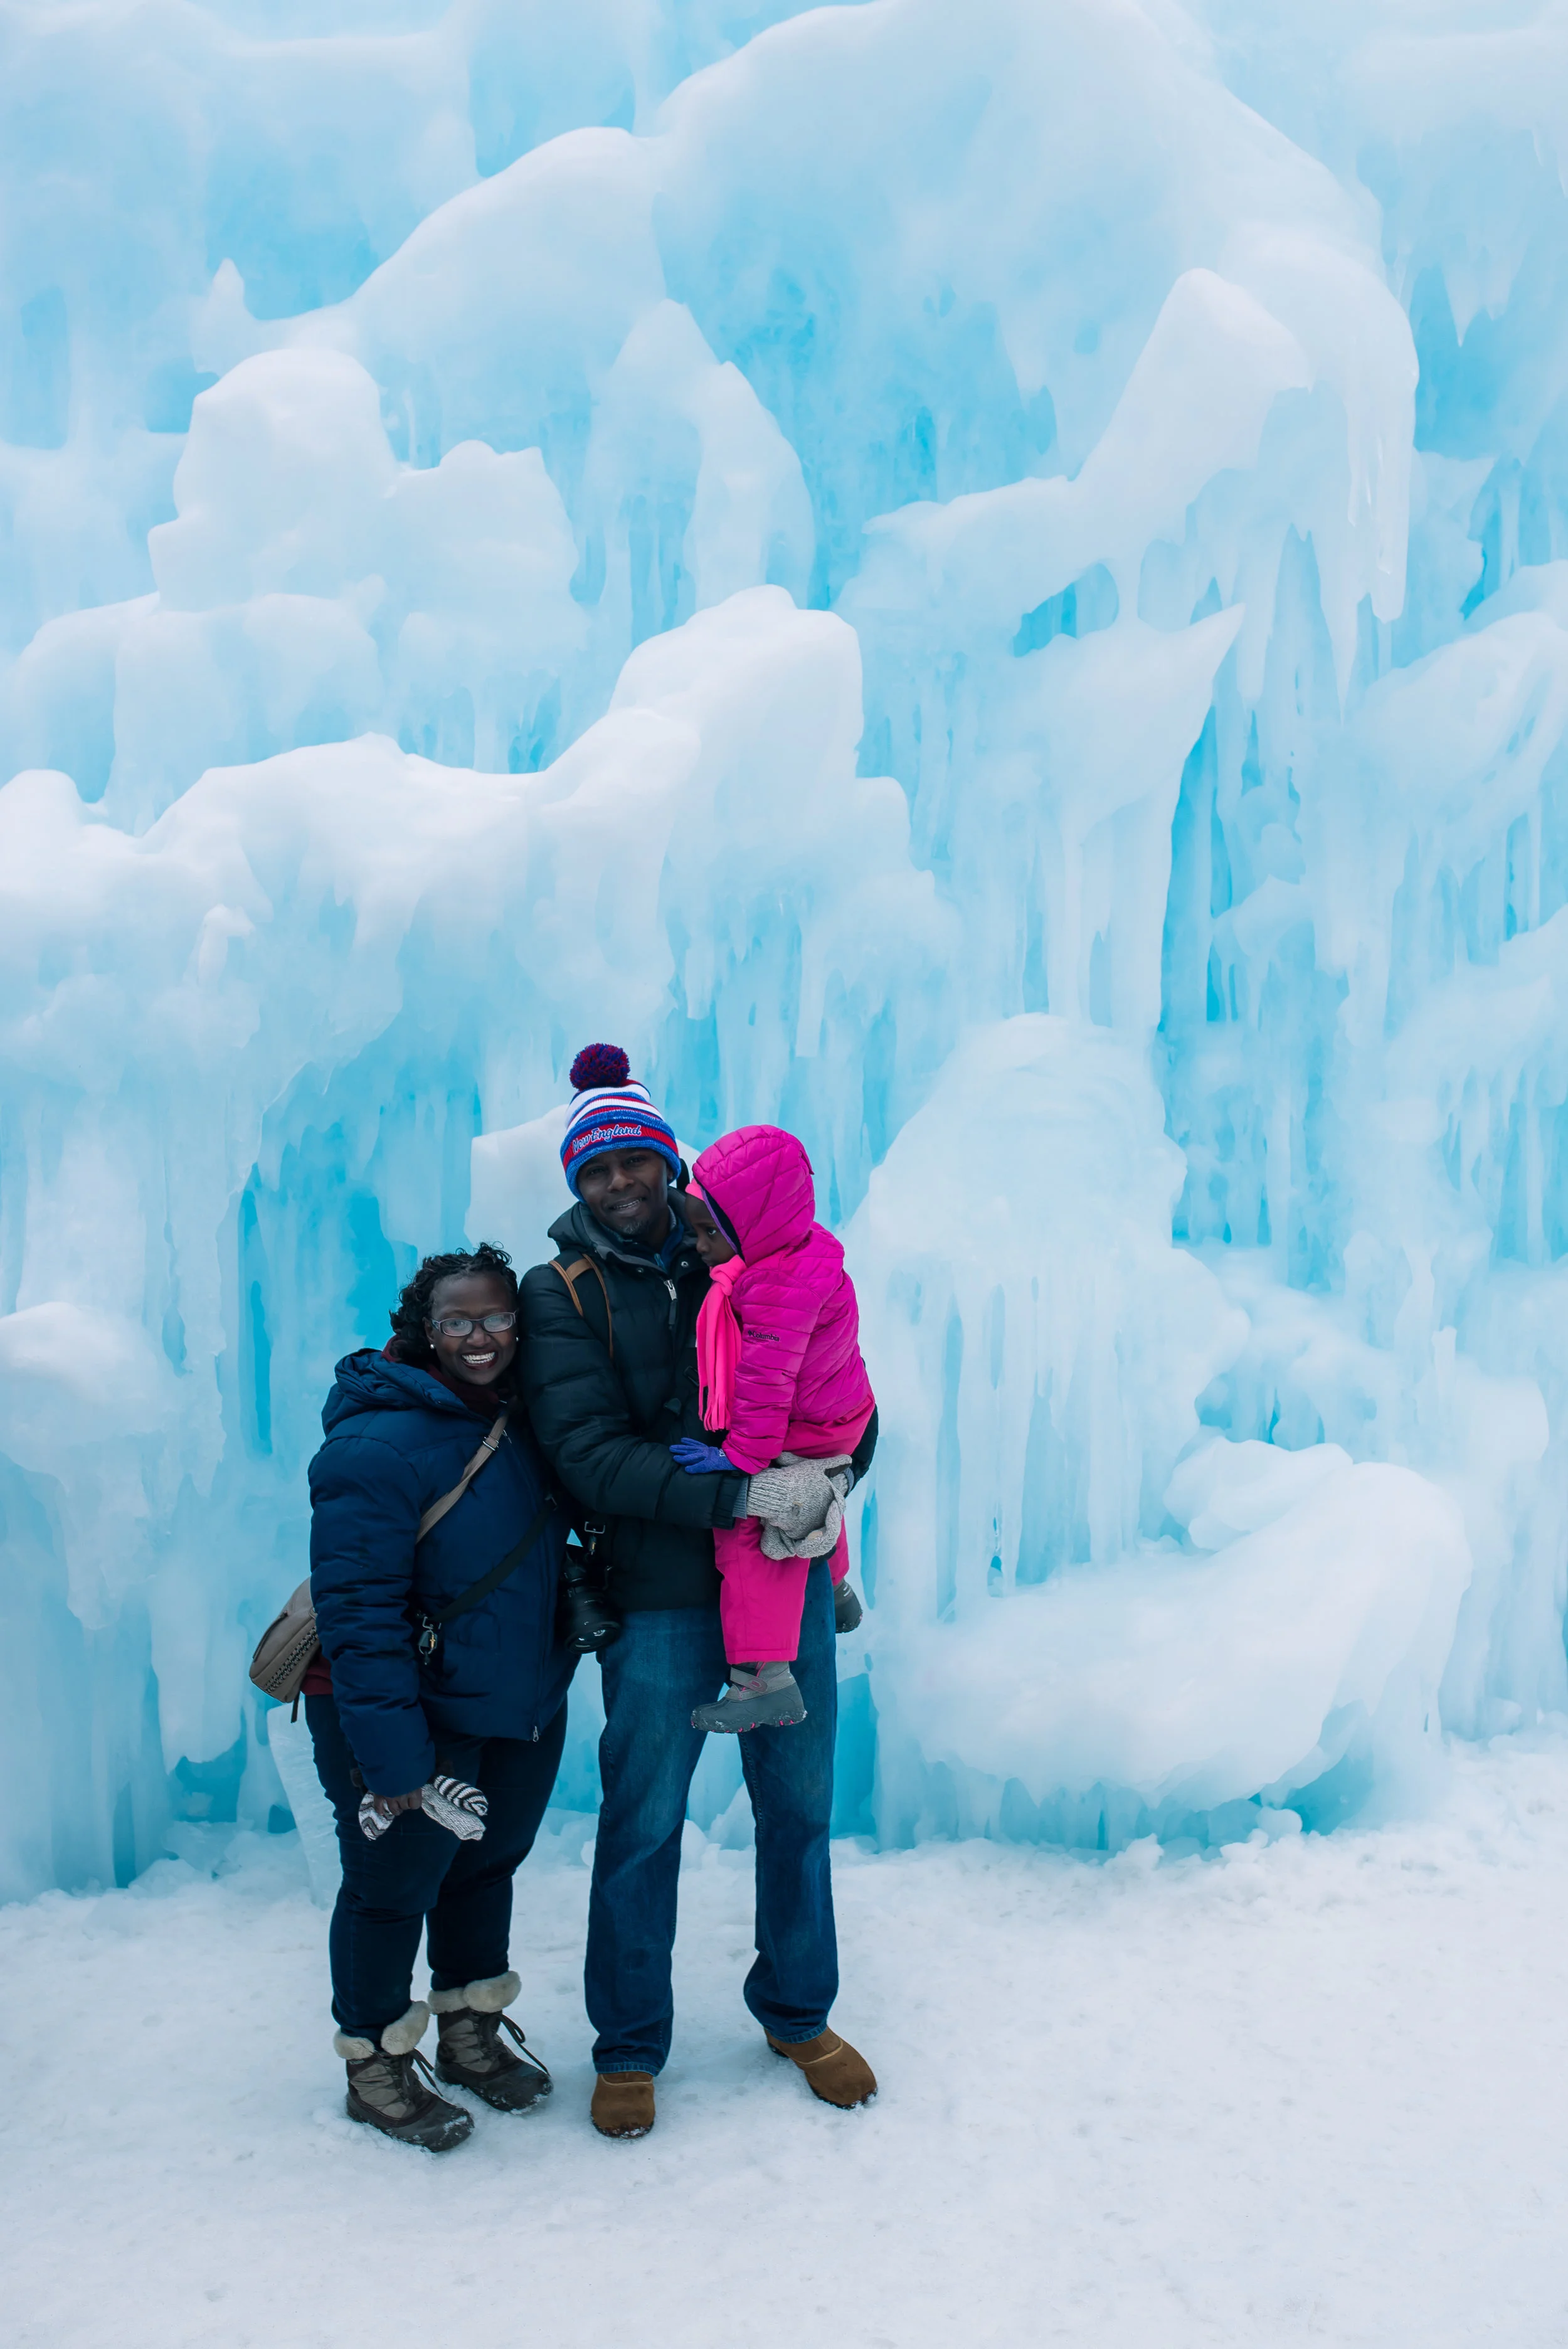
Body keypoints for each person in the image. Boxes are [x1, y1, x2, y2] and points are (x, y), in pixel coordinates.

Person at [521, 1044, 879, 2143]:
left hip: (785, 1576)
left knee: (801, 1809)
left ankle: (797, 2012)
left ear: (671, 1165)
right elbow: (585, 1453)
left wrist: (836, 1475)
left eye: (639, 1163)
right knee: (642, 1824)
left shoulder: (750, 1247)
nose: (623, 1185)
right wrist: (737, 1501)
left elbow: (843, 1392)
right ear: (576, 1186)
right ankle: (629, 2046)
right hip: (663, 1593)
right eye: (598, 1172)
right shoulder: (561, 1291)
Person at [306, 1243, 573, 2152]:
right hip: (408, 1714)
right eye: (458, 1320)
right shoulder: (373, 1444)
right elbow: (358, 1612)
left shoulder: (526, 1419)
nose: (481, 1336)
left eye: (498, 1316)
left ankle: (468, 2028)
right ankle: (375, 2060)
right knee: (391, 1888)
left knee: (483, 1864)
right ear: (425, 1330)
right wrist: (391, 1758)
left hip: (514, 1701)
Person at [670, 1124, 874, 1733]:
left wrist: (741, 1460)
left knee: (754, 1525)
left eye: (711, 1233)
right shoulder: (800, 1250)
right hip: (844, 1410)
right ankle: (835, 1586)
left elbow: (766, 1383)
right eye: (696, 1228)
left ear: (755, 1228)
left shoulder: (773, 1288)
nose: (699, 1245)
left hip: (809, 1425)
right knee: (817, 1494)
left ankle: (764, 1678)